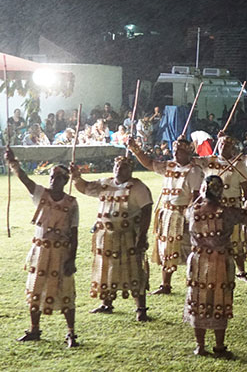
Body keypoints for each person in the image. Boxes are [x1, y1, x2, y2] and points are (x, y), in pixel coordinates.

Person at [6, 149, 79, 347]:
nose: (53, 180)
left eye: (57, 177)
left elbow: (74, 233)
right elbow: (25, 179)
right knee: (36, 287)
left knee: (65, 289)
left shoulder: (72, 203)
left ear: (65, 181)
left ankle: (71, 333)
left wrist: (71, 259)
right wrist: (14, 163)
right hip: (40, 251)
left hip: (61, 251)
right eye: (52, 176)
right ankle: (34, 329)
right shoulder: (41, 194)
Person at [70, 156, 153, 321]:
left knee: (134, 270)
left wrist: (142, 236)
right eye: (116, 166)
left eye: (123, 167)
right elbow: (85, 187)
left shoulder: (138, 188)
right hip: (105, 236)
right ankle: (106, 302)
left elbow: (146, 211)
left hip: (128, 235)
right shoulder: (105, 183)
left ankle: (140, 308)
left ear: (130, 170)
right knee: (106, 267)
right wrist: (76, 176)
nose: (118, 169)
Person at [184, 176, 247, 358]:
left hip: (198, 260)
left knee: (198, 298)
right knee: (219, 299)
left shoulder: (192, 210)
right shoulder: (226, 212)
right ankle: (219, 346)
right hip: (220, 260)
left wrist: (199, 198)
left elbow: (188, 211)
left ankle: (200, 345)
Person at [128, 137, 204, 294]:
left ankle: (196, 281)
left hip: (183, 214)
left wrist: (189, 214)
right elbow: (149, 163)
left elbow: (196, 196)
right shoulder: (169, 166)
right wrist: (135, 149)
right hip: (167, 213)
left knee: (191, 249)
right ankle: (165, 284)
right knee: (167, 248)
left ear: (189, 151)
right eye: (175, 150)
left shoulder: (195, 171)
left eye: (180, 151)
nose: (176, 154)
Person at [195, 134, 247, 279]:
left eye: (227, 144)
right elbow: (191, 160)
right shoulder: (209, 161)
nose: (223, 146)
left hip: (231, 206)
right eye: (221, 143)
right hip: (211, 207)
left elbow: (246, 188)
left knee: (235, 239)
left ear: (233, 148)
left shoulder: (238, 164)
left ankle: (241, 271)